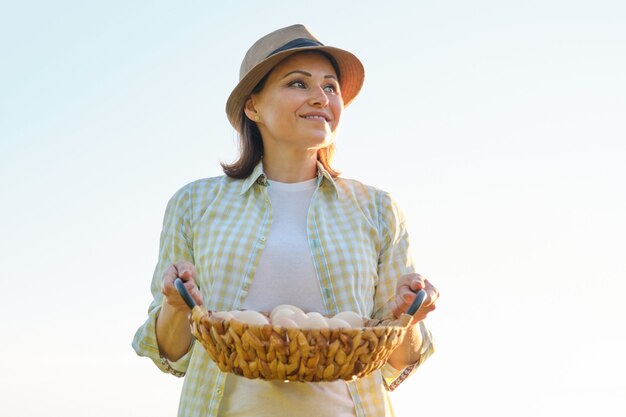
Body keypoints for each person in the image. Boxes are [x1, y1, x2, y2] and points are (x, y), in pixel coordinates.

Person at [133, 24, 439, 417]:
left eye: (331, 87)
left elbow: (399, 358)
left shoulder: (377, 209)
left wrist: (409, 314)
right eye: (298, 83)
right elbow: (171, 353)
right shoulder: (195, 203)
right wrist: (176, 305)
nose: (321, 98)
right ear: (253, 106)